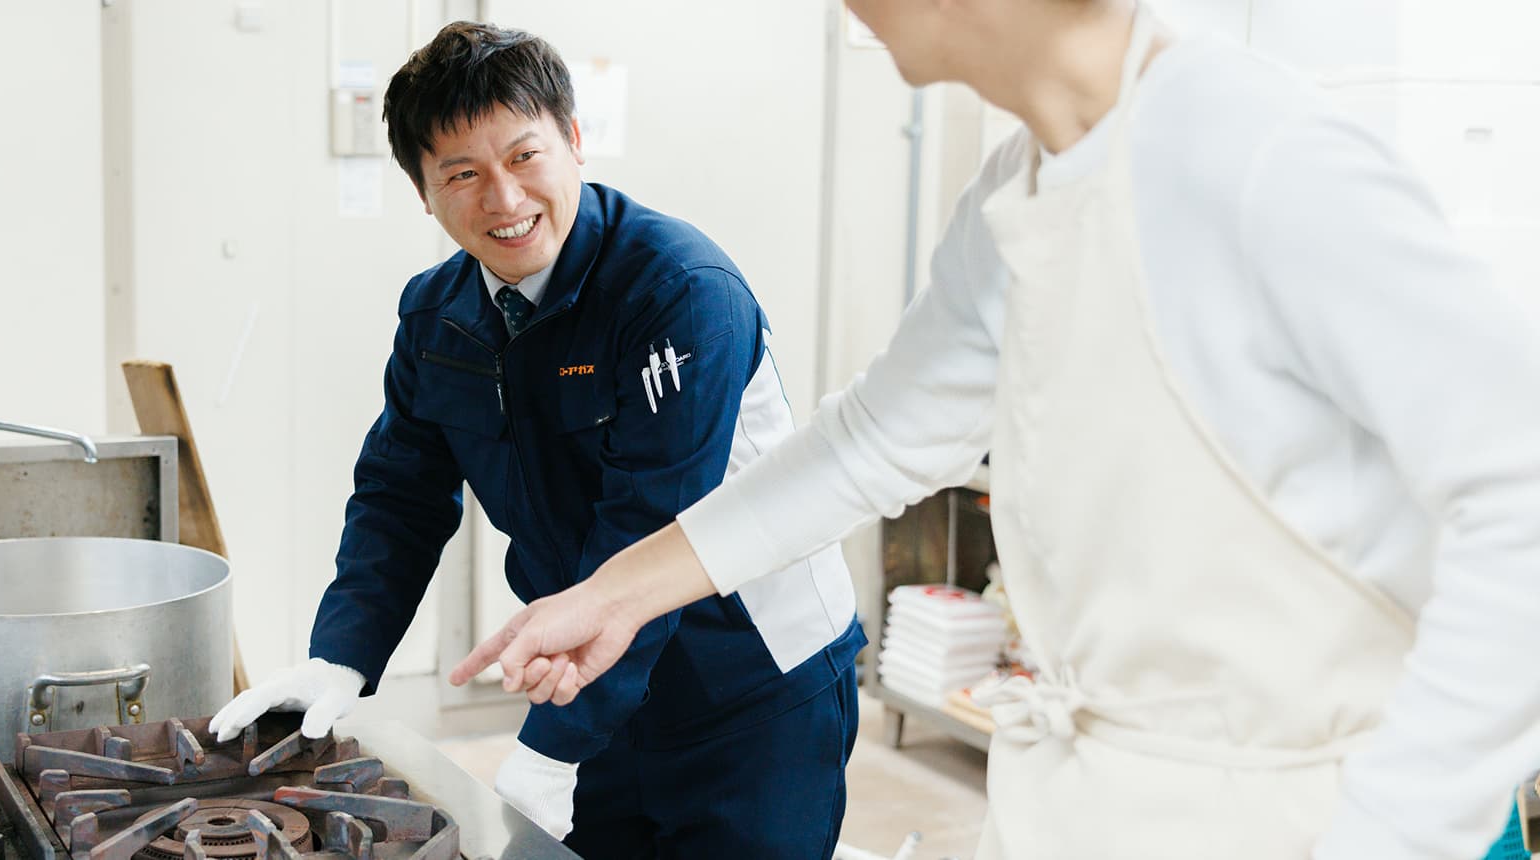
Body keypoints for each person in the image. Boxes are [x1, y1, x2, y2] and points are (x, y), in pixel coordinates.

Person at [450, 1, 1540, 857]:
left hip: (1319, 812)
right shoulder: (1020, 189)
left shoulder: (1256, 150)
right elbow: (872, 440)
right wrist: (615, 595)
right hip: (1100, 802)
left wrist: (1395, 829)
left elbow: (1520, 497)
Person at [206, 21, 866, 859]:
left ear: (574, 142)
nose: (505, 199)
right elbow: (400, 497)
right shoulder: (438, 316)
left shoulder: (678, 294)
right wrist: (341, 657)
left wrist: (554, 748)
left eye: (524, 157)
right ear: (424, 193)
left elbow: (652, 526)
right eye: (463, 174)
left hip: (750, 686)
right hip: (588, 677)